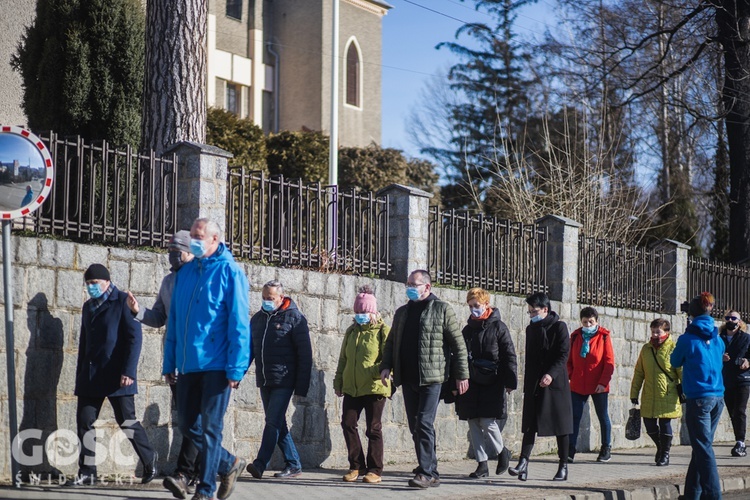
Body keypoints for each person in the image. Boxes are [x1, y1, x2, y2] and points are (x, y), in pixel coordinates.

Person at [163, 218, 251, 500]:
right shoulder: (186, 273)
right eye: (192, 235)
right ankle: (229, 464)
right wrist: (169, 362)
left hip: (217, 365)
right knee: (187, 425)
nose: (194, 240)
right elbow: (175, 321)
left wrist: (236, 368)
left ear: (215, 240)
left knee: (212, 428)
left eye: (199, 236)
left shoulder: (230, 272)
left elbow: (239, 324)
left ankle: (205, 489)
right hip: (189, 364)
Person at [126, 230, 200, 499]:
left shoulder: (202, 277)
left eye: (177, 250)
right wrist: (138, 311)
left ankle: (185, 472)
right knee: (188, 421)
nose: (172, 256)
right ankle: (204, 470)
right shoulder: (168, 282)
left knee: (193, 420)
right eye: (170, 251)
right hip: (175, 362)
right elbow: (159, 316)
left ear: (190, 252)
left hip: (198, 362)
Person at [379, 270, 470, 489]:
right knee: (415, 426)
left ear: (427, 287)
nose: (409, 287)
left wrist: (462, 375)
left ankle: (425, 472)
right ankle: (432, 471)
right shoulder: (402, 312)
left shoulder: (442, 309)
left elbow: (458, 346)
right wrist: (386, 366)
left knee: (424, 423)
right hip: (408, 378)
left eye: (414, 284)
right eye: (408, 283)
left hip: (433, 378)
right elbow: (392, 342)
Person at [72, 264, 156, 485]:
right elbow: (84, 343)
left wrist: (129, 371)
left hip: (118, 375)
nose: (91, 288)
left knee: (126, 421)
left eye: (95, 283)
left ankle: (149, 459)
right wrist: (80, 374)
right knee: (84, 421)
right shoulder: (88, 307)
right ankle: (87, 471)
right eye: (88, 284)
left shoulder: (122, 301)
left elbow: (134, 338)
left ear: (107, 282)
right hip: (91, 374)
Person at [245, 280, 312, 480]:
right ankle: (294, 464)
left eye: (271, 298)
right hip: (265, 379)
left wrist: (301, 386)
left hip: (284, 379)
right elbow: (249, 351)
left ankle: (259, 464)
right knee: (278, 423)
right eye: (264, 297)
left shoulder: (294, 318)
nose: (266, 301)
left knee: (272, 422)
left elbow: (305, 354)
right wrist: (237, 375)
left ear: (281, 298)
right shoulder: (257, 319)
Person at [509, 292, 572, 482]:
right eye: (528, 311)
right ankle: (523, 463)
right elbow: (530, 358)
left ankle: (563, 466)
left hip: (555, 384)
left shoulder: (559, 327)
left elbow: (563, 354)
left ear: (545, 309)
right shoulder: (531, 329)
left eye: (534, 311)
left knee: (561, 427)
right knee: (529, 425)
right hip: (535, 383)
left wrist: (550, 375)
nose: (531, 314)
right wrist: (528, 384)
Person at [456, 288, 517, 479]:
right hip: (471, 380)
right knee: (473, 421)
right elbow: (458, 356)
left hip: (493, 380)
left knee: (488, 421)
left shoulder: (499, 327)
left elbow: (509, 355)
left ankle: (502, 452)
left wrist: (510, 381)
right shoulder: (467, 330)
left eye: (477, 305)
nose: (474, 309)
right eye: (471, 306)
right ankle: (482, 464)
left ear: (486, 305)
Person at [671, 292, 725, 500]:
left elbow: (675, 361)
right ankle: (693, 493)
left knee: (703, 449)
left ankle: (713, 495)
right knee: (701, 447)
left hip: (699, 398)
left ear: (692, 313)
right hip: (717, 396)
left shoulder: (687, 338)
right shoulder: (717, 337)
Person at [334, 285, 390, 484]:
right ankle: (356, 465)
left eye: (364, 311)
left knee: (373, 428)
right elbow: (343, 359)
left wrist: (372, 372)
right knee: (348, 423)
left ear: (372, 311)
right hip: (352, 387)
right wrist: (338, 381)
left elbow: (387, 359)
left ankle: (375, 469)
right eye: (357, 312)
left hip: (375, 387)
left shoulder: (382, 330)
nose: (360, 315)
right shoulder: (351, 331)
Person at [630, 318, 682, 466]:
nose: (655, 335)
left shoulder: (673, 348)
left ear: (666, 332)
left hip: (668, 393)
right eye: (653, 332)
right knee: (649, 425)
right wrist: (634, 394)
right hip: (649, 394)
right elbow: (639, 372)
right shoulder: (646, 349)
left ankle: (665, 454)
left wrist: (687, 390)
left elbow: (681, 371)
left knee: (665, 424)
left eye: (658, 332)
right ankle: (661, 447)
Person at [567, 307, 615, 463]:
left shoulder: (603, 336)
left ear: (596, 321)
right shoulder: (575, 336)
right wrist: (570, 376)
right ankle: (570, 449)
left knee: (603, 416)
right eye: (585, 322)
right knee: (574, 417)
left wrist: (603, 383)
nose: (588, 324)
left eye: (591, 322)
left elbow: (609, 362)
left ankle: (606, 448)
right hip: (578, 383)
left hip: (598, 384)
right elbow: (568, 361)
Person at [720, 310, 750, 457]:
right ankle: (738, 439)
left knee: (739, 410)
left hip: (742, 380)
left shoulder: (746, 338)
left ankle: (740, 442)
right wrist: (720, 358)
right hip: (726, 379)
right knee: (732, 411)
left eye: (734, 318)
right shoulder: (719, 339)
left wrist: (747, 361)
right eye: (728, 318)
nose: (731, 320)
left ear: (740, 321)